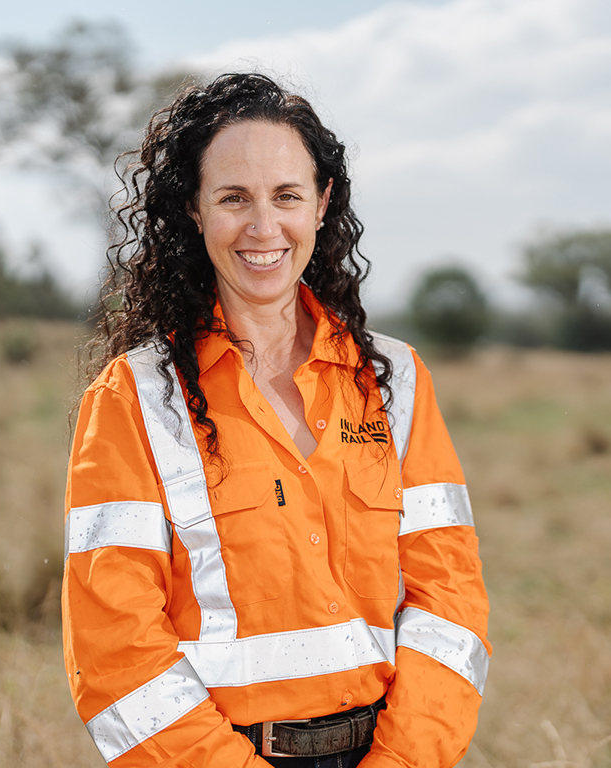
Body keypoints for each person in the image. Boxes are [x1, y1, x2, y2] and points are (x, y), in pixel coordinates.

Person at [62, 72, 490, 768]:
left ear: (321, 204)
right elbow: (114, 646)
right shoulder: (133, 396)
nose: (264, 228)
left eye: (287, 195)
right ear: (194, 211)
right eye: (233, 198)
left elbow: (449, 600)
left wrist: (402, 763)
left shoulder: (396, 380)